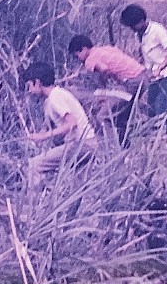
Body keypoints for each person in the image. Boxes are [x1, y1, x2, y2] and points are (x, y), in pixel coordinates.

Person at [20, 62, 95, 190]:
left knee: (34, 165)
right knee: (77, 186)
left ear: (37, 82)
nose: (30, 91)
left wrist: (43, 137)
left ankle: (35, 201)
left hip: (81, 144)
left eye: (30, 86)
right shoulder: (55, 96)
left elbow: (71, 124)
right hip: (88, 143)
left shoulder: (55, 97)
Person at [68, 34, 145, 145]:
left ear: (84, 49)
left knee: (103, 116)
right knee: (120, 112)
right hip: (142, 75)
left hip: (132, 83)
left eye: (77, 55)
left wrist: (103, 83)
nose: (78, 59)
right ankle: (124, 143)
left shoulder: (90, 60)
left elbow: (104, 69)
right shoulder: (105, 49)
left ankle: (112, 148)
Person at [120, 4, 167, 116]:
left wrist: (161, 67)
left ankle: (163, 132)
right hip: (152, 76)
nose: (132, 28)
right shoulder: (138, 34)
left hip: (166, 75)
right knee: (151, 109)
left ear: (142, 21)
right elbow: (143, 54)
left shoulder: (157, 30)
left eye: (133, 25)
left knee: (160, 107)